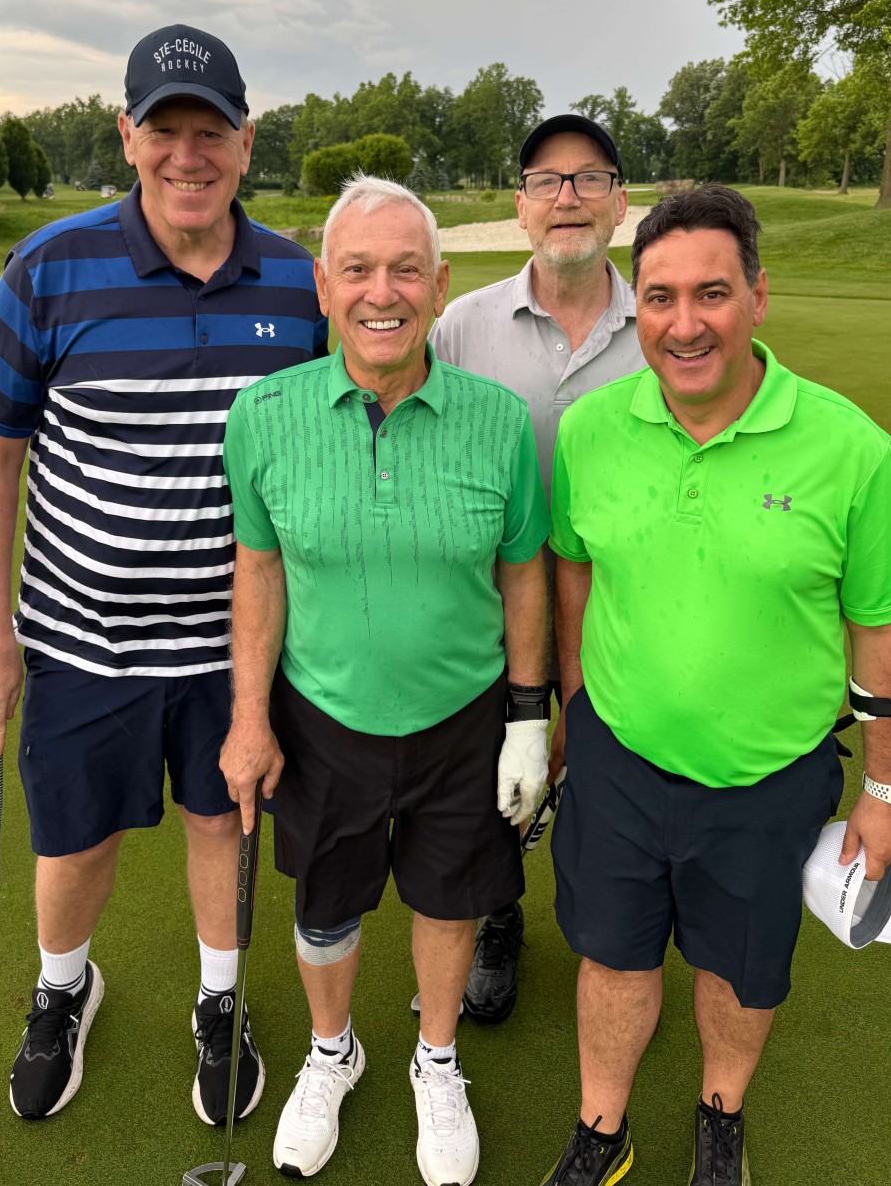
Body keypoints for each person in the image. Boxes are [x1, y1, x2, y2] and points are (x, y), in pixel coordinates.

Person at [0, 24, 328, 1126]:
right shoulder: (50, 267)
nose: (187, 155)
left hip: (234, 648)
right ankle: (63, 989)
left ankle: (221, 1001)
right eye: (165, 130)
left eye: (211, 131)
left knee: (223, 823)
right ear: (127, 136)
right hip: (82, 638)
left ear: (246, 142)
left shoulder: (300, 281)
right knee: (76, 839)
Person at [541, 186, 891, 1186]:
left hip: (771, 777)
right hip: (619, 758)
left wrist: (889, 792)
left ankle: (719, 1111)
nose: (685, 324)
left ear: (758, 297)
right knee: (613, 957)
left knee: (740, 971)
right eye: (662, 297)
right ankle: (603, 1127)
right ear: (637, 307)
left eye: (713, 293)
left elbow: (885, 630)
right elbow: (573, 570)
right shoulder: (591, 431)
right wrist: (573, 709)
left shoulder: (848, 448)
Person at [221, 175, 551, 1186]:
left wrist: (528, 719)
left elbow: (523, 572)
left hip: (463, 717)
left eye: (407, 269)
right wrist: (248, 718)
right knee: (325, 906)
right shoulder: (263, 416)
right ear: (324, 287)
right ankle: (334, 1052)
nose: (382, 292)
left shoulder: (500, 421)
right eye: (357, 269)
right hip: (323, 717)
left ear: (439, 287)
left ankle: (435, 1058)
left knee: (449, 902)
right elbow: (259, 572)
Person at [431, 113, 645, 1023]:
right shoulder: (461, 326)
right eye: (547, 181)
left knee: (612, 781)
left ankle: (621, 938)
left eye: (589, 178)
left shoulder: (662, 322)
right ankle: (498, 916)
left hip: (626, 611)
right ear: (521, 206)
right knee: (492, 779)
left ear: (620, 203)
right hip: (494, 608)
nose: (568, 197)